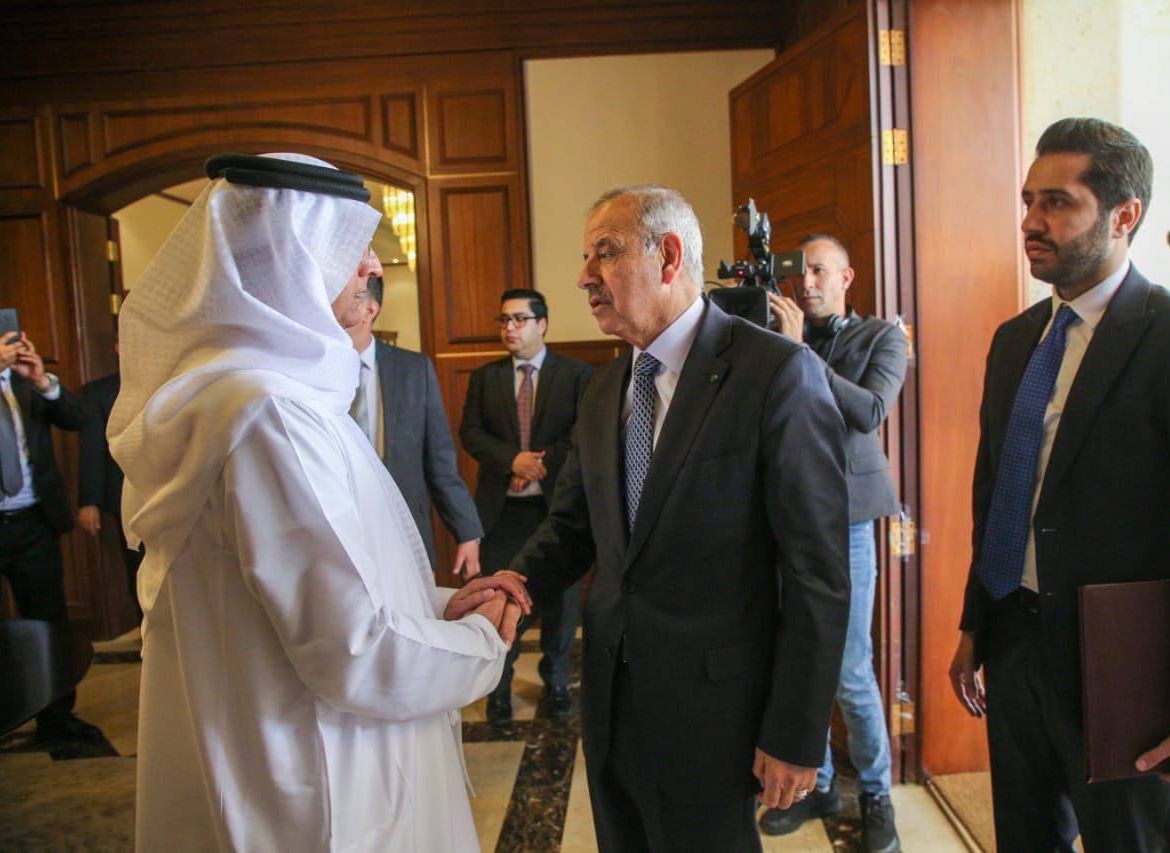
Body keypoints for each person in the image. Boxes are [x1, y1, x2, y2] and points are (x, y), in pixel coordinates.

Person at [110, 152, 532, 852]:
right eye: (348, 242)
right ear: (290, 258)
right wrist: (483, 642)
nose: (370, 263)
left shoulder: (267, 393)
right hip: (315, 781)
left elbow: (318, 585)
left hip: (296, 750)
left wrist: (437, 605)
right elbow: (353, 649)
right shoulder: (268, 413)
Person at [948, 118, 1170, 852]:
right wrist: (976, 624)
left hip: (1128, 665)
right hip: (1015, 644)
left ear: (1124, 215)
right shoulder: (1015, 340)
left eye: (1057, 202)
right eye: (1028, 200)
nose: (1031, 221)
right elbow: (999, 495)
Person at [505, 184, 850, 851]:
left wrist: (795, 732)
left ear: (667, 256)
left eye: (604, 253)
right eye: (585, 258)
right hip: (611, 701)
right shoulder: (604, 387)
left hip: (715, 715)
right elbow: (573, 527)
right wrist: (512, 587)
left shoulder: (776, 373)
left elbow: (819, 576)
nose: (584, 277)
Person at [763, 234, 906, 851]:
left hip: (847, 520)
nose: (807, 282)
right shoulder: (776, 335)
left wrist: (798, 353)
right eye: (801, 272)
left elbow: (868, 411)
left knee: (848, 668)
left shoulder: (882, 338)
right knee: (794, 657)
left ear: (847, 277)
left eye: (820, 271)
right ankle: (817, 783)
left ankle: (876, 796)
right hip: (784, 516)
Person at [460, 288, 592, 726]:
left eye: (519, 319)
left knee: (561, 607)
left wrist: (538, 464)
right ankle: (498, 689)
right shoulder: (486, 377)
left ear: (543, 324)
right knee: (500, 599)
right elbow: (471, 433)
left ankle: (557, 684)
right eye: (503, 320)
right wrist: (511, 460)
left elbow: (583, 432)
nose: (509, 328)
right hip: (502, 513)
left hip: (557, 511)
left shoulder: (576, 375)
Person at [340, 254, 484, 581]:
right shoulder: (314, 370)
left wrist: (467, 531)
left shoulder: (413, 369)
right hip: (341, 535)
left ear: (370, 310)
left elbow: (440, 461)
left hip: (405, 530)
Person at [0, 330, 93, 742]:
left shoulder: (24, 381)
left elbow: (78, 418)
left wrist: (41, 380)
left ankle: (57, 718)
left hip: (34, 523)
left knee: (48, 621)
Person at [77, 341, 144, 623]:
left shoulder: (171, 381)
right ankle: (147, 633)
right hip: (125, 498)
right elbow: (92, 448)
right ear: (117, 346)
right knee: (138, 569)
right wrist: (88, 501)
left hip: (174, 493)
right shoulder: (99, 392)